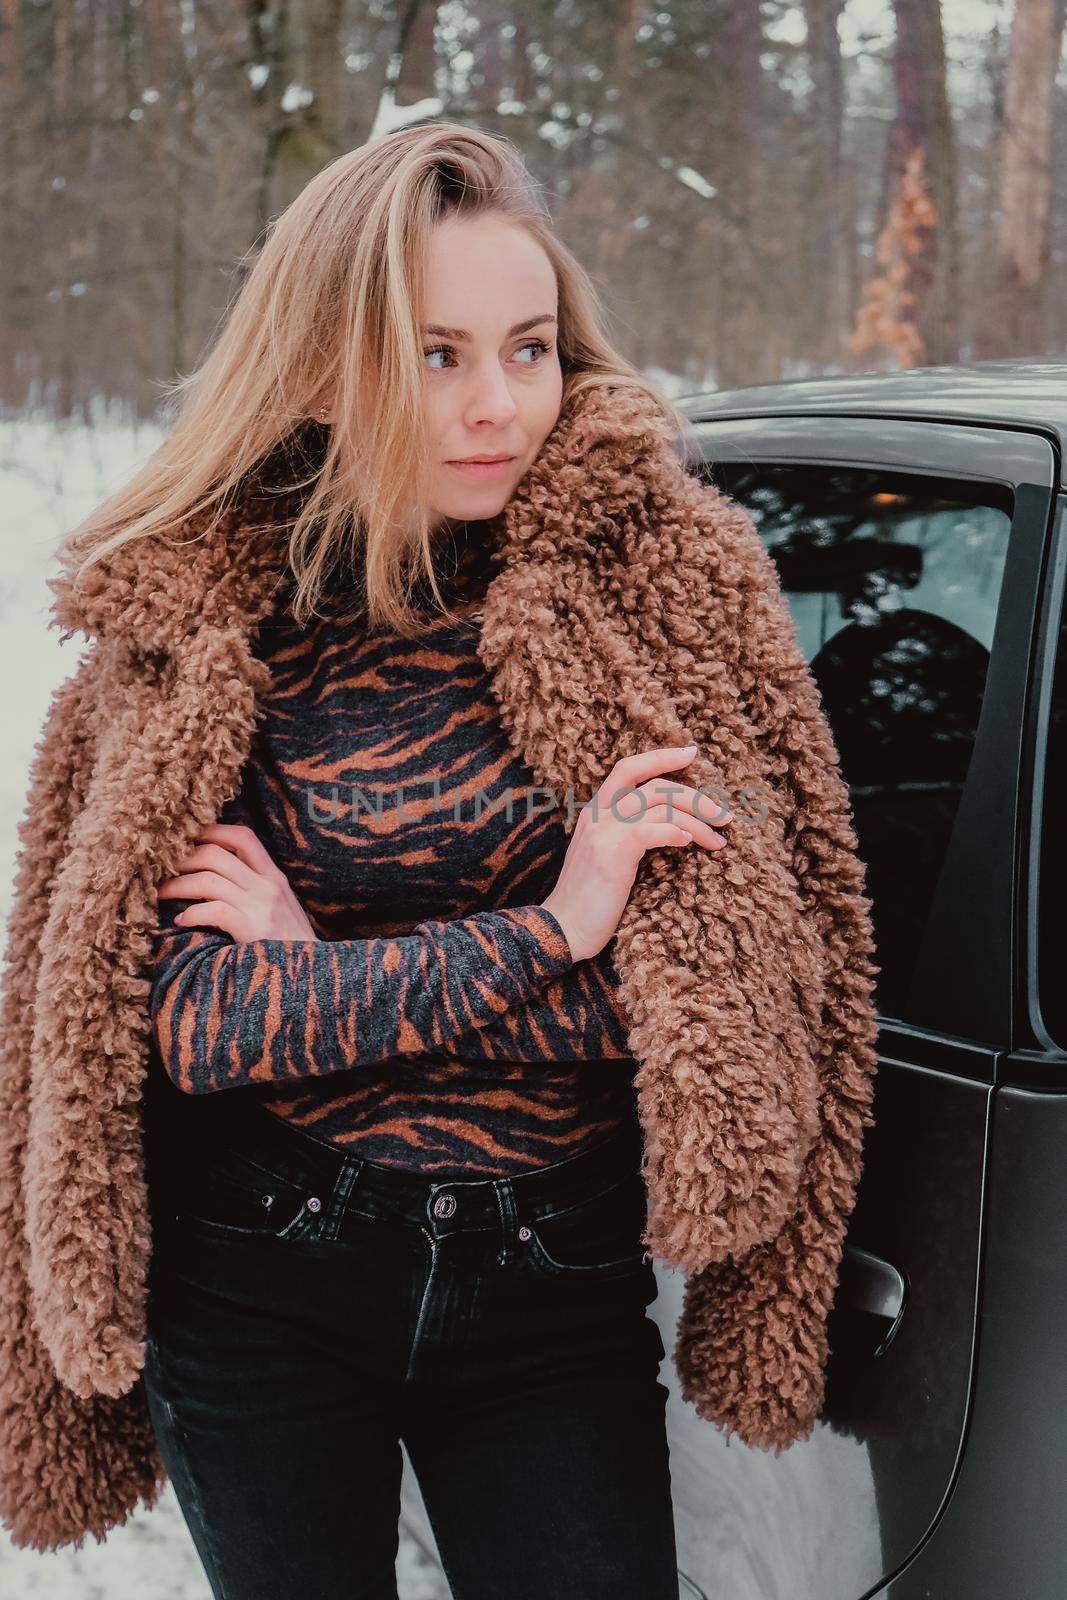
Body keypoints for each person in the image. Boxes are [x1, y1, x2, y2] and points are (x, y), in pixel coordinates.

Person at [0, 120, 881, 1588]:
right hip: (267, 1269)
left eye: (528, 350)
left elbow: (726, 1004)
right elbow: (201, 1030)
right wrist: (560, 923)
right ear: (327, 364)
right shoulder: (212, 629)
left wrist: (322, 975)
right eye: (436, 355)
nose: (498, 406)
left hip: (555, 1283)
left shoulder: (659, 593)